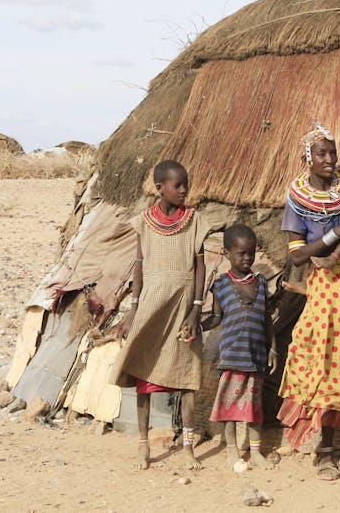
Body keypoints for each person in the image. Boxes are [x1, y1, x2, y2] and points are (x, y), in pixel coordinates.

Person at [276, 122, 340, 481]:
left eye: (333, 152)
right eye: (322, 154)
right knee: (322, 361)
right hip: (323, 287)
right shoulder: (297, 201)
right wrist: (336, 233)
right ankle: (324, 451)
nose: (330, 159)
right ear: (308, 159)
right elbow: (298, 256)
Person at [113, 160, 208, 471]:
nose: (184, 190)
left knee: (188, 378)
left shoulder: (195, 221)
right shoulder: (144, 223)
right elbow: (139, 266)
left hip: (183, 306)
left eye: (186, 184)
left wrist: (196, 308)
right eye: (177, 185)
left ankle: (188, 447)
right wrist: (134, 308)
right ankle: (143, 444)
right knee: (145, 374)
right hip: (152, 304)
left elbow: (200, 267)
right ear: (159, 188)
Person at [201, 223, 278, 470]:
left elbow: (267, 319)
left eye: (251, 253)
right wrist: (197, 325)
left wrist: (273, 349)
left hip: (255, 357)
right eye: (241, 253)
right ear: (227, 253)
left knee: (254, 408)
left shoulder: (261, 283)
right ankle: (232, 450)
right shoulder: (221, 285)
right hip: (232, 357)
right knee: (229, 407)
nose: (247, 258)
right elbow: (216, 317)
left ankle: (255, 451)